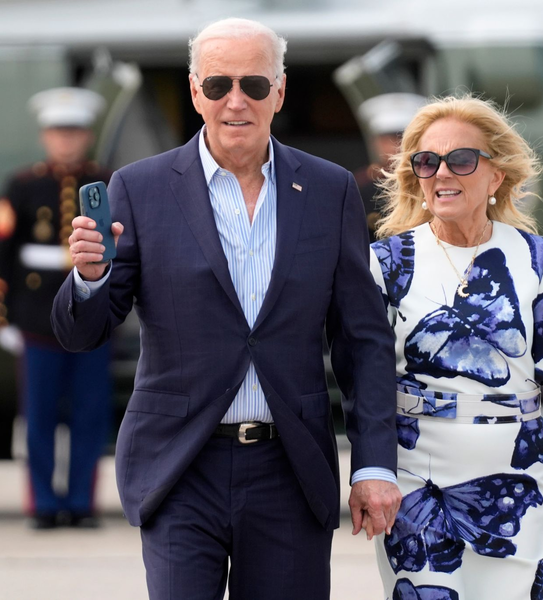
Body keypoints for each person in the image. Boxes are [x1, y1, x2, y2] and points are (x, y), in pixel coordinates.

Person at [50, 17, 401, 600]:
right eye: (218, 86)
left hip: (291, 471)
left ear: (280, 92)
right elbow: (83, 332)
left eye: (254, 85)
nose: (235, 101)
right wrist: (90, 278)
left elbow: (364, 340)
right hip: (179, 468)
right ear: (195, 91)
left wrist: (373, 465)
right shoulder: (138, 188)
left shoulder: (330, 188)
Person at [369, 96, 543, 599]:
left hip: (514, 485)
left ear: (496, 176)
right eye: (427, 161)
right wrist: (368, 476)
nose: (441, 173)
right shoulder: (387, 261)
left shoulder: (539, 257)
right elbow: (364, 381)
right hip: (414, 482)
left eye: (461, 159)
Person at [0, 87, 112, 529]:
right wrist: (4, 316)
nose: (66, 141)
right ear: (46, 137)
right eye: (58, 132)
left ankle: (81, 502)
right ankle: (45, 503)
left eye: (74, 132)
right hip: (35, 316)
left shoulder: (105, 180)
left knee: (90, 414)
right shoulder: (22, 185)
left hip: (90, 315)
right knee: (40, 415)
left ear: (86, 136)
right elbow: (5, 252)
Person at [354, 93, 426, 242]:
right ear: (376, 142)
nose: (395, 145)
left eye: (401, 138)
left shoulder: (431, 177)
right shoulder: (360, 183)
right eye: (387, 139)